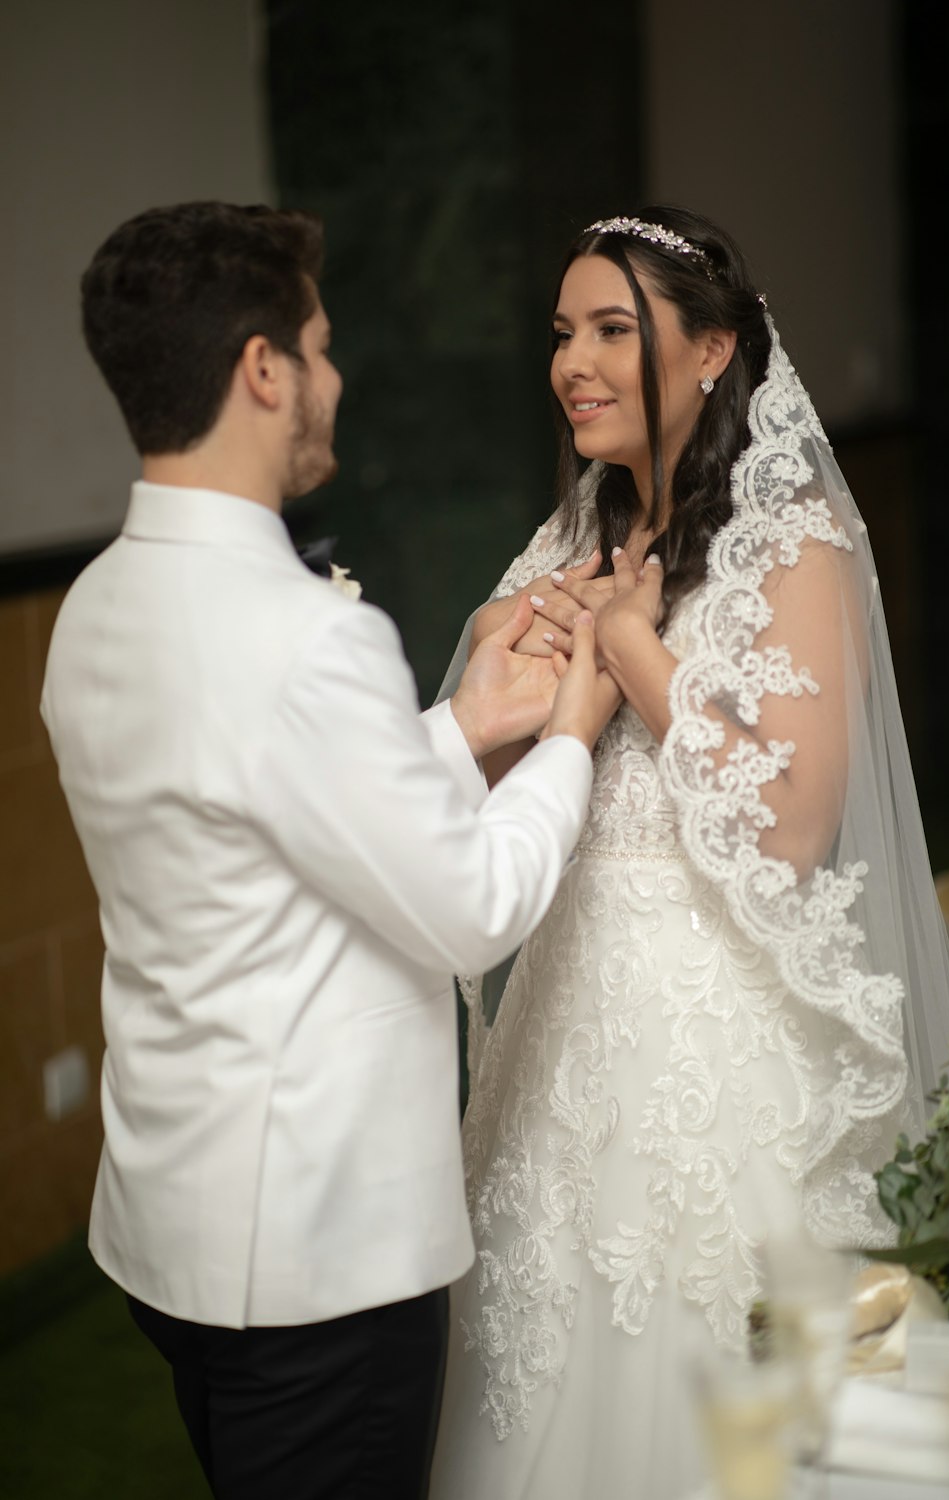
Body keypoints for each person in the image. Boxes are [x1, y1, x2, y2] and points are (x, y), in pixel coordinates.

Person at [40, 201, 621, 1500]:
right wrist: (574, 736)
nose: (335, 377)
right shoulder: (305, 636)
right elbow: (474, 908)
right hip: (318, 1258)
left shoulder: (91, 608)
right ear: (263, 372)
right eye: (319, 345)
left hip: (173, 1226)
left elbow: (256, 808)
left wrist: (464, 722)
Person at [428, 207, 949, 1500]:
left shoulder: (799, 553)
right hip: (566, 1058)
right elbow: (490, 791)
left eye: (614, 330)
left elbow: (790, 827)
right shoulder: (566, 541)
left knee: (796, 1448)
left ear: (715, 349)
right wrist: (506, 668)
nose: (574, 362)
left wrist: (634, 650)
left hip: (749, 1070)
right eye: (562, 333)